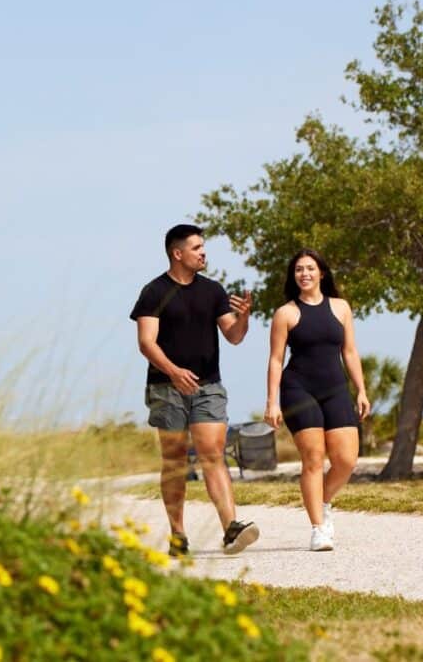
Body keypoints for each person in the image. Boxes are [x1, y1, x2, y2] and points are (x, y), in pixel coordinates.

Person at [130, 224, 259, 556]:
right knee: (174, 460)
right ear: (178, 253)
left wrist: (243, 318)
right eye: (197, 248)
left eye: (203, 247)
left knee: (212, 454)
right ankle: (178, 534)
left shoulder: (213, 291)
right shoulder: (154, 292)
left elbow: (233, 336)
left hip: (208, 386)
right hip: (165, 388)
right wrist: (173, 372)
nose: (203, 253)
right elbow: (146, 342)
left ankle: (231, 528)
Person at [264, 248, 369, 551]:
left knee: (346, 460)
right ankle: (318, 529)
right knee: (313, 458)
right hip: (298, 389)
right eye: (298, 269)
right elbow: (275, 359)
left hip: (335, 388)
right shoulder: (286, 313)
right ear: (293, 276)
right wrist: (272, 402)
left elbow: (349, 352)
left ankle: (322, 502)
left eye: (310, 268)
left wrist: (361, 389)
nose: (305, 274)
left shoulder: (341, 308)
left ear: (322, 273)